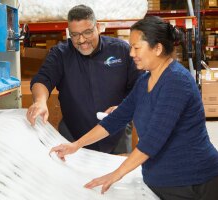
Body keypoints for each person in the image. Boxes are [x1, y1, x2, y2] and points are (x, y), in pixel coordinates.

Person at [50, 16, 218, 200]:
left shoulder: (177, 82)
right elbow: (116, 118)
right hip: (162, 182)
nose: (131, 54)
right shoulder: (145, 80)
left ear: (157, 48)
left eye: (136, 47)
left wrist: (115, 175)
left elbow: (153, 141)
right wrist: (76, 145)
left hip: (192, 183)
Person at [26, 4, 141, 154]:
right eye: (74, 35)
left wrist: (124, 107)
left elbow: (140, 85)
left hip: (116, 133)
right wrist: (40, 101)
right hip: (72, 135)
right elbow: (43, 79)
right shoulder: (60, 54)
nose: (81, 40)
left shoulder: (121, 50)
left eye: (87, 32)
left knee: (117, 174)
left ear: (98, 27)